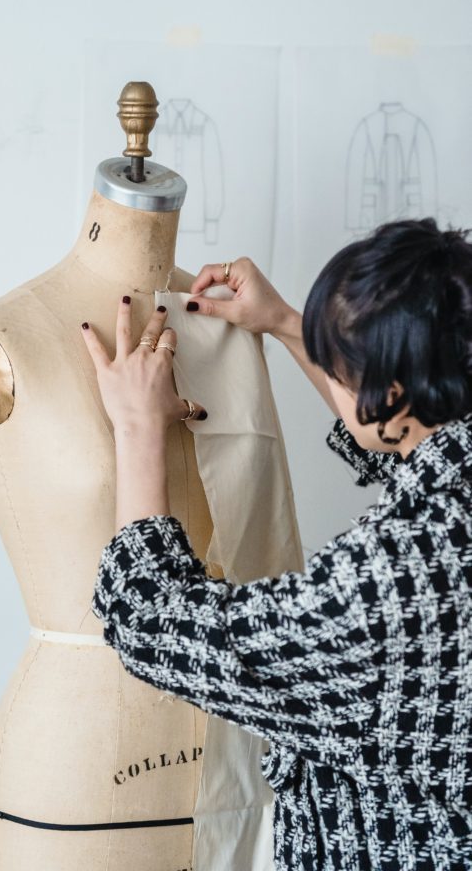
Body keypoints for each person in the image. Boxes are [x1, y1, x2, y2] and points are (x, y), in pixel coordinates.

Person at [79, 217, 472, 871]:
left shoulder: (384, 583)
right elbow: (407, 455)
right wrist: (291, 324)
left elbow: (151, 621)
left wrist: (137, 425)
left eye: (338, 367)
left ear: (389, 395)